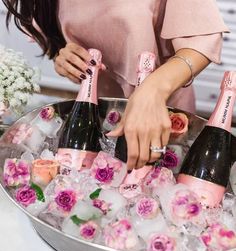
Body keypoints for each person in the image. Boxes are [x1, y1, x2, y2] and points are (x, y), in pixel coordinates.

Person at [3, 0, 228, 171]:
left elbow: (200, 42)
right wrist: (65, 59)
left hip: (162, 110)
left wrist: (151, 91)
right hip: (101, 114)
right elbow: (61, 32)